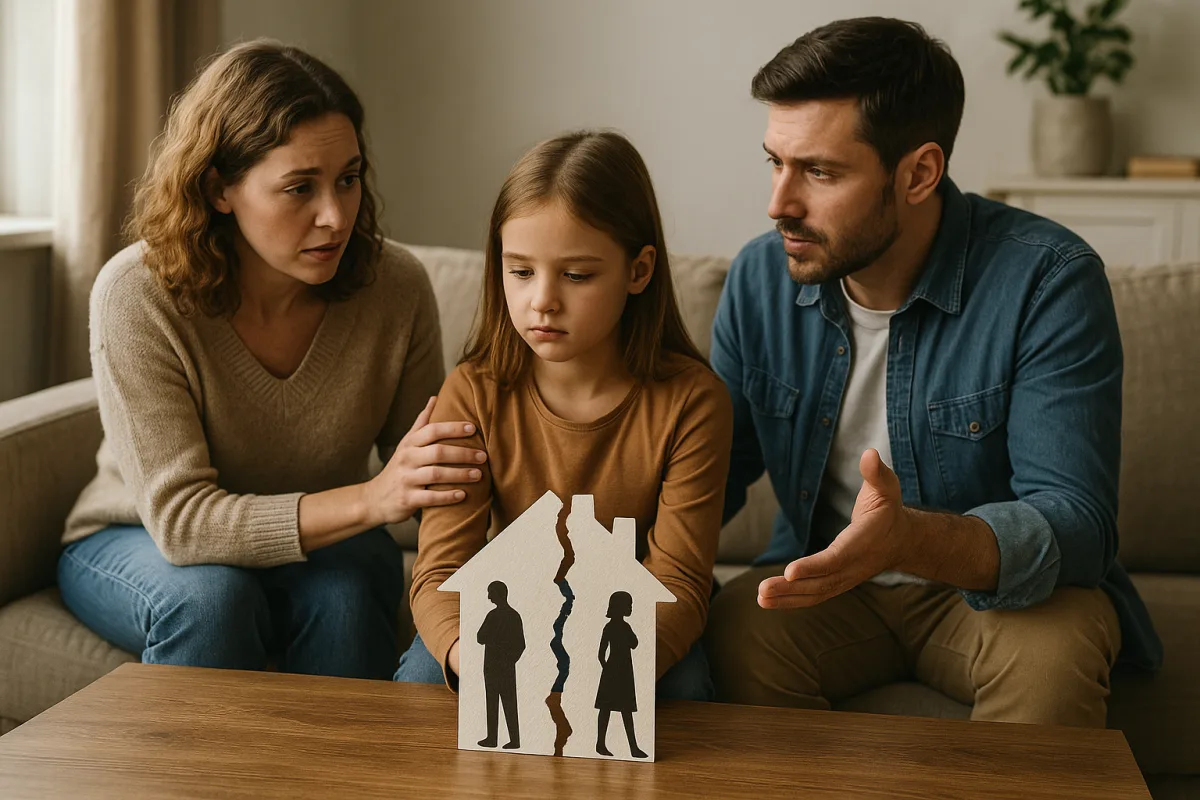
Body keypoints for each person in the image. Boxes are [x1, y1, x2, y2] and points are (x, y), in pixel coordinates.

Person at [703, 17, 1161, 726]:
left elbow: (1078, 522)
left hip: (996, 598)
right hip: (829, 588)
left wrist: (912, 540)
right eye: (775, 162)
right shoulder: (760, 280)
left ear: (918, 173)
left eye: (819, 171)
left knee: (1055, 655)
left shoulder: (1048, 280)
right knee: (737, 627)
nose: (779, 204)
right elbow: (706, 476)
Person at [57, 40, 483, 679]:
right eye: (299, 188)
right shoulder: (137, 295)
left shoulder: (395, 288)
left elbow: (428, 471)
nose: (335, 216)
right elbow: (182, 525)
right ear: (219, 188)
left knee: (343, 596)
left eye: (349, 177)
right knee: (213, 599)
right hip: (136, 537)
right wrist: (372, 499)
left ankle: (343, 781)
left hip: (329, 548)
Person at [394, 130, 733, 702]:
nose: (542, 300)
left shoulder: (693, 402)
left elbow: (678, 584)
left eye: (576, 275)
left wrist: (591, 671)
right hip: (508, 612)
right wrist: (469, 657)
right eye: (521, 272)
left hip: (628, 618)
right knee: (427, 677)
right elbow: (439, 572)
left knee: (687, 685)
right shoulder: (472, 392)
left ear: (639, 271)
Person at [595, 591, 646, 758]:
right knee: (608, 707)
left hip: (618, 669)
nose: (630, 608)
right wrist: (607, 669)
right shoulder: (614, 627)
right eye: (628, 605)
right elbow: (602, 652)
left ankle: (632, 747)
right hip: (617, 669)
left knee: (622, 708)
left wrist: (606, 668)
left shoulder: (620, 627)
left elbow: (633, 644)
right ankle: (601, 744)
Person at [477, 581, 524, 749]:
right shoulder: (513, 616)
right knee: (503, 702)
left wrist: (507, 659)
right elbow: (520, 645)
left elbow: (481, 637)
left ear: (498, 594)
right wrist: (510, 660)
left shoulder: (494, 616)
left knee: (502, 702)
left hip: (496, 667)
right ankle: (498, 738)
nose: (489, 596)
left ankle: (502, 739)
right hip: (501, 667)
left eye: (491, 593)